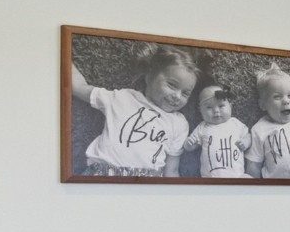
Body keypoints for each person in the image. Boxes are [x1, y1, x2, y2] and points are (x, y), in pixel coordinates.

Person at [69, 46, 198, 176]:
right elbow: (79, 87)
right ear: (149, 77)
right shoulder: (121, 98)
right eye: (172, 85)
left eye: (185, 93)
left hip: (147, 183)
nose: (177, 96)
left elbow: (172, 171)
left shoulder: (178, 123)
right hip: (104, 174)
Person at [183, 82, 252, 178]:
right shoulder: (203, 127)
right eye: (209, 107)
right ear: (200, 110)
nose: (216, 110)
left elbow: (248, 135)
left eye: (221, 106)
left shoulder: (235, 123)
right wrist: (189, 143)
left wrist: (245, 142)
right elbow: (189, 148)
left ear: (230, 105)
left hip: (238, 177)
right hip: (210, 179)